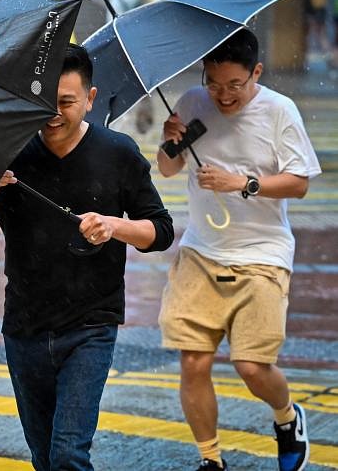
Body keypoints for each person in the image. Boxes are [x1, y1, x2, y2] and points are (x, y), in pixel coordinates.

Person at [0, 44, 174, 471]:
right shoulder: (11, 155)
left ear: (90, 99)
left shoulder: (117, 152)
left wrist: (115, 225)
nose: (53, 114)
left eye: (66, 103)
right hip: (24, 326)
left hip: (90, 327)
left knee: (67, 454)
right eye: (44, 102)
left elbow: (161, 231)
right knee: (44, 457)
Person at [156, 29, 321, 471]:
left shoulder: (279, 111)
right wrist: (170, 140)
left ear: (257, 73)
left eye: (234, 85)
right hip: (201, 252)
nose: (223, 95)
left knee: (252, 366)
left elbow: (300, 182)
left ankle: (287, 418)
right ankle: (211, 460)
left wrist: (241, 183)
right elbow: (168, 169)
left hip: (262, 253)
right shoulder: (192, 103)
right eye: (214, 83)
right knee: (193, 361)